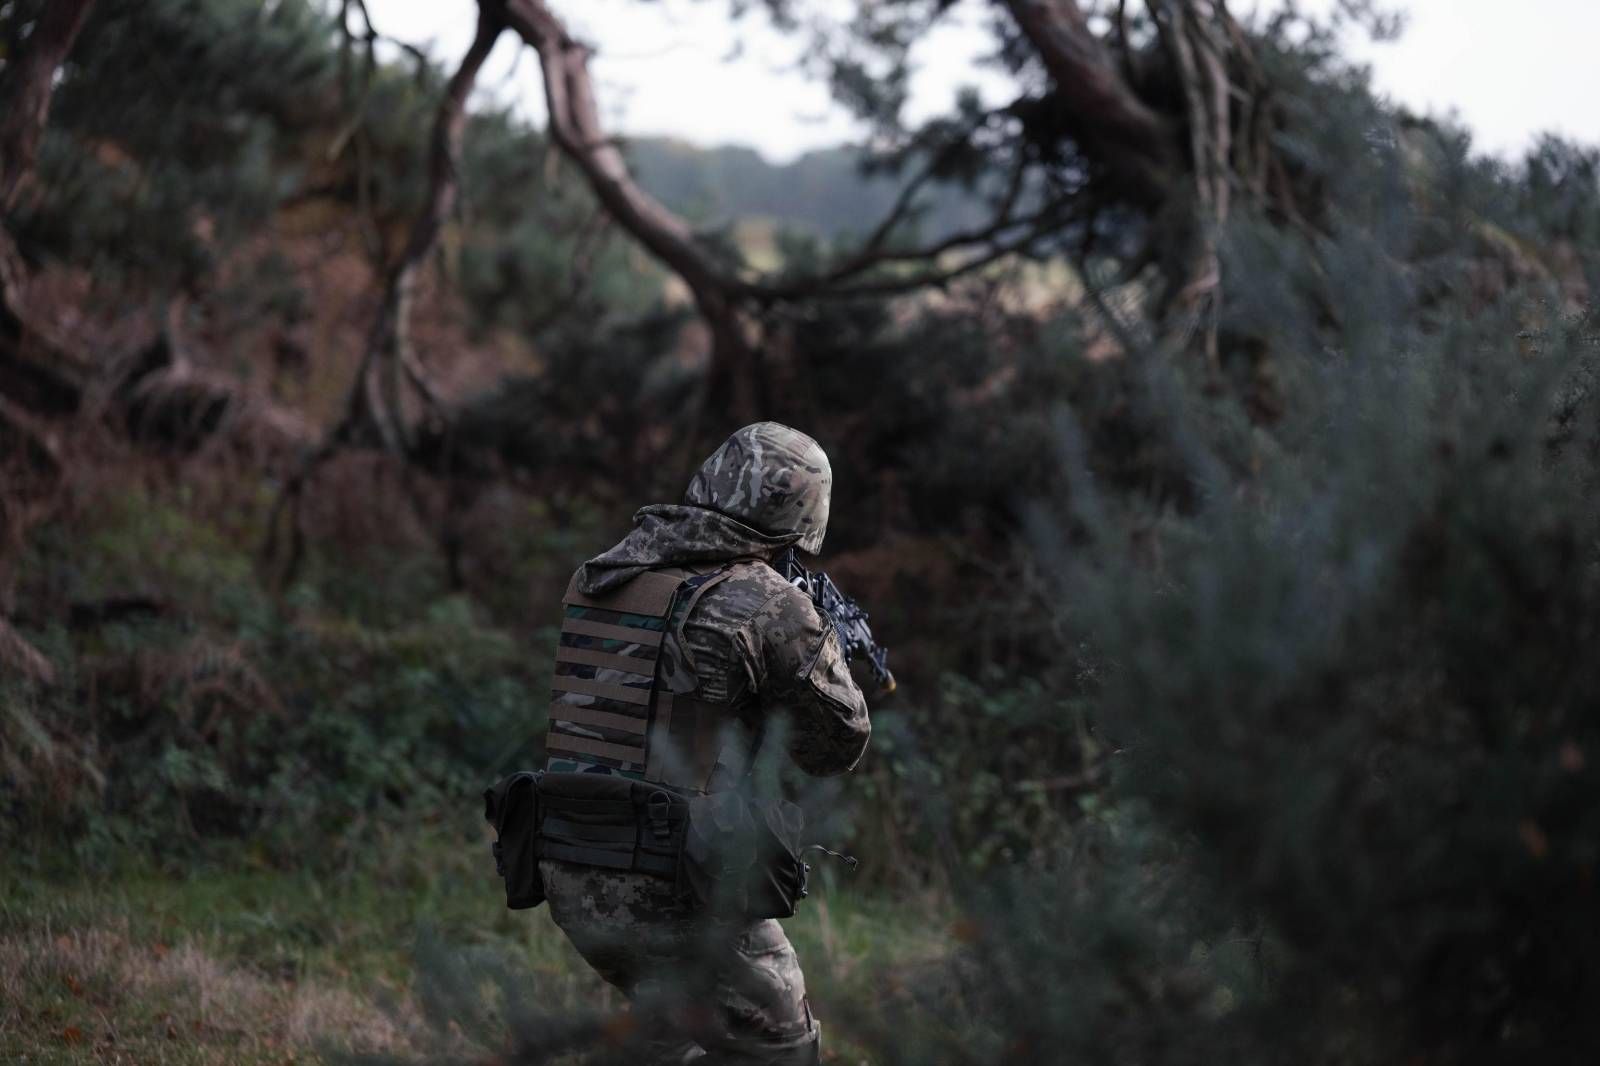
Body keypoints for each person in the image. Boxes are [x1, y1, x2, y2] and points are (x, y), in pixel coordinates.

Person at [538, 421, 872, 1064]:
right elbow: (834, 748)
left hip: (570, 863)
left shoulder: (607, 572)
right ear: (798, 514)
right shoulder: (769, 602)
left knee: (669, 1033)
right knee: (782, 1047)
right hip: (678, 886)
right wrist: (820, 645)